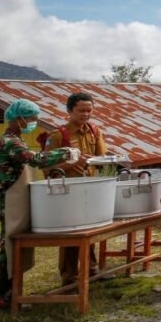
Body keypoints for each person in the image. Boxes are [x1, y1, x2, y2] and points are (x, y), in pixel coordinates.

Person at [0, 99, 80, 312]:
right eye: (31, 118)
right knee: (8, 251)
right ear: (18, 118)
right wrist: (65, 153)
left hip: (17, 200)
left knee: (14, 251)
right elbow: (35, 159)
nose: (34, 122)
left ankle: (11, 297)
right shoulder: (10, 142)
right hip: (10, 202)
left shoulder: (17, 138)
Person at [44, 92, 109, 287]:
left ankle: (91, 269)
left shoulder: (95, 132)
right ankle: (69, 277)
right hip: (67, 191)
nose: (86, 114)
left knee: (89, 230)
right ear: (70, 110)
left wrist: (94, 162)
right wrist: (71, 163)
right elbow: (47, 168)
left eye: (89, 110)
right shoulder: (57, 136)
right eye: (81, 110)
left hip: (89, 188)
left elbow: (102, 158)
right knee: (70, 233)